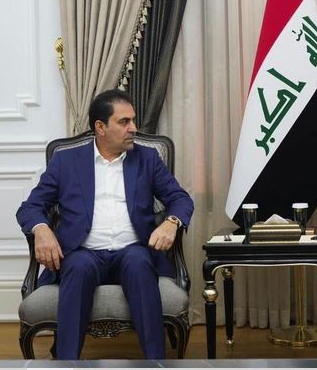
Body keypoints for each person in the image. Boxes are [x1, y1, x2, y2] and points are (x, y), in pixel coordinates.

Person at [16, 89, 194, 359]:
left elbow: (180, 199)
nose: (133, 128)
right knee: (78, 266)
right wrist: (41, 230)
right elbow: (30, 207)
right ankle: (66, 363)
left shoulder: (147, 159)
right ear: (100, 127)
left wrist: (171, 222)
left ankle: (156, 362)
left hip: (132, 251)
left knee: (139, 262)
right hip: (83, 253)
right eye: (124, 122)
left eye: (133, 120)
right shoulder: (66, 162)